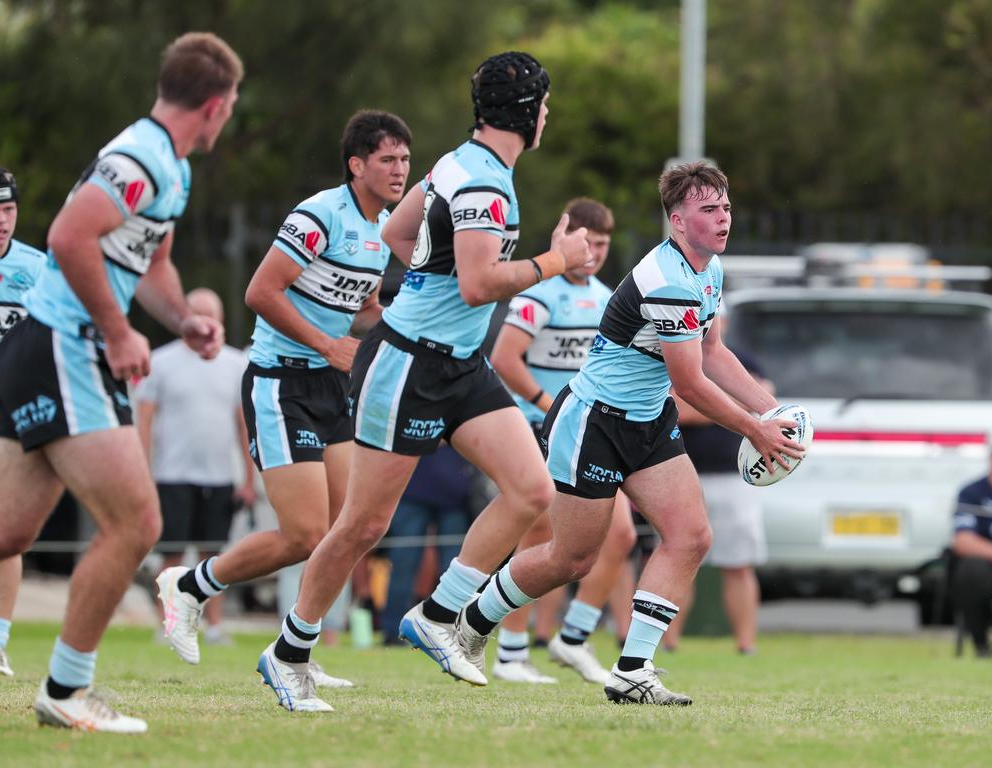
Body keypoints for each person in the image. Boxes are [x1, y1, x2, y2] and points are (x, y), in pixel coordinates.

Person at [258, 50, 593, 712]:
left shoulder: (457, 163)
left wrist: (425, 278)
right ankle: (289, 653)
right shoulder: (484, 184)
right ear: (527, 111)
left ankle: (438, 614)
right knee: (362, 525)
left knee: (531, 490)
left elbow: (394, 230)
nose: (549, 115)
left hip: (460, 365)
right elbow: (476, 284)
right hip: (409, 362)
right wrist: (557, 260)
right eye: (545, 104)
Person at [0, 32, 242, 733]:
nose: (231, 115)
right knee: (137, 522)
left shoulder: (171, 169)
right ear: (215, 105)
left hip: (40, 346)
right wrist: (119, 333)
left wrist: (181, 321)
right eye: (233, 104)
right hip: (64, 346)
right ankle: (66, 689)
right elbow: (67, 236)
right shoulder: (141, 158)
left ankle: (63, 688)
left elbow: (149, 265)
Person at [456, 160, 804, 706]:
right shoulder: (667, 279)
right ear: (677, 221)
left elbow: (714, 353)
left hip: (646, 420)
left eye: (726, 208)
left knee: (691, 536)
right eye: (708, 209)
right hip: (595, 422)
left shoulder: (708, 271)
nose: (722, 219)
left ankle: (633, 669)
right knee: (569, 559)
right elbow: (689, 381)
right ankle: (470, 620)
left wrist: (774, 411)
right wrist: (754, 430)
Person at [156, 110, 411, 705]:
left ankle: (296, 649)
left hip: (330, 389)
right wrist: (327, 343)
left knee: (352, 529)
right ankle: (191, 586)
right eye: (387, 160)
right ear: (357, 165)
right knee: (302, 534)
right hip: (278, 383)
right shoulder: (319, 214)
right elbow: (259, 291)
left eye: (404, 160)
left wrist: (398, 331)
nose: (400, 170)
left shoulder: (383, 230)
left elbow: (364, 303)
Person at [489, 197, 636, 684]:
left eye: (602, 243)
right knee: (541, 538)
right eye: (586, 241)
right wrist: (551, 405)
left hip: (593, 430)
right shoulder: (541, 294)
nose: (593, 252)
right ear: (566, 238)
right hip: (544, 427)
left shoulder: (608, 297)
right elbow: (505, 359)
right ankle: (510, 651)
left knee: (621, 537)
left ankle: (572, 639)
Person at [135, 287, 254, 645]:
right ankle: (169, 625)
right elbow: (144, 422)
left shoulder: (236, 364)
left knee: (213, 556)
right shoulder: (160, 362)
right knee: (171, 554)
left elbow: (243, 424)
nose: (206, 324)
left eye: (212, 316)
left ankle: (213, 626)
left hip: (219, 477)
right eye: (198, 315)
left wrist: (248, 479)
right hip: (170, 476)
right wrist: (143, 474)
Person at [0, 167, 45, 678]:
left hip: (9, 404)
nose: (2, 221)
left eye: (9, 210)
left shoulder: (36, 268)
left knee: (6, 529)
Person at [662, 333, 772, 655]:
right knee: (676, 559)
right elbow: (676, 408)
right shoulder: (672, 351)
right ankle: (666, 642)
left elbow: (763, 399)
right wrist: (730, 404)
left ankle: (746, 645)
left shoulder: (738, 356)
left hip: (735, 477)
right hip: (684, 472)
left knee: (739, 563)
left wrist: (703, 400)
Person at [380, 444, 476, 644]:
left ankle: (451, 630)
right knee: (405, 565)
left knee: (455, 568)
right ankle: (394, 631)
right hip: (420, 491)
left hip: (449, 493)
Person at [951, 448, 992, 657]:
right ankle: (981, 645)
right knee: (972, 569)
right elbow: (963, 541)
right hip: (986, 565)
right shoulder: (972, 493)